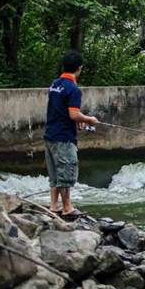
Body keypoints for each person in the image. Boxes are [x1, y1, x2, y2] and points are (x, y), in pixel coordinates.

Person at [44, 50, 98, 219]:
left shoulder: (55, 84)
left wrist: (77, 119)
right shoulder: (73, 88)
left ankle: (54, 206)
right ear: (79, 68)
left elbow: (63, 111)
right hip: (63, 138)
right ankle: (67, 207)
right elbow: (74, 115)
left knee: (54, 173)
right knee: (65, 173)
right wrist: (89, 119)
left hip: (50, 135)